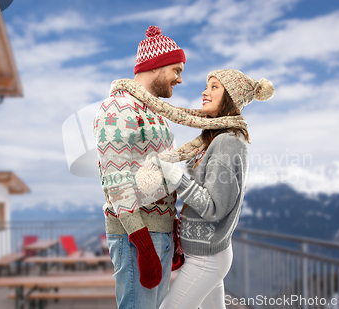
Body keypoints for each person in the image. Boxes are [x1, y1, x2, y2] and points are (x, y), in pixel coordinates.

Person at [93, 26, 249, 309]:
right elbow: (116, 180)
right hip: (137, 235)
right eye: (176, 69)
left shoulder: (157, 115)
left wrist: (172, 227)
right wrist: (142, 241)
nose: (180, 79)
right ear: (157, 66)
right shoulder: (118, 108)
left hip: (161, 233)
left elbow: (157, 177)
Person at [148, 69, 275, 309]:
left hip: (205, 260)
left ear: (231, 97)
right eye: (207, 86)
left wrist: (173, 174)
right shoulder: (216, 138)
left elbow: (214, 207)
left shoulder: (228, 142)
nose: (205, 92)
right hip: (204, 255)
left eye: (214, 87)